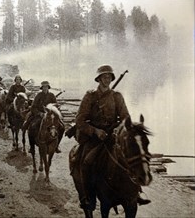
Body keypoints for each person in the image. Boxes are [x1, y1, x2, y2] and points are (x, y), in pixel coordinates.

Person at [75, 64, 150, 211]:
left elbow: (125, 118)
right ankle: (88, 198)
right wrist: (95, 131)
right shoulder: (90, 96)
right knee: (86, 161)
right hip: (95, 137)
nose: (107, 79)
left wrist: (117, 129)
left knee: (132, 156)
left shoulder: (117, 96)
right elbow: (79, 120)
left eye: (109, 76)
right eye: (104, 76)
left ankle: (137, 193)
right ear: (99, 79)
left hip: (113, 135)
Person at [23, 81, 63, 153]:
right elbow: (33, 107)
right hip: (40, 115)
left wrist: (55, 111)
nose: (45, 88)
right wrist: (39, 113)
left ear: (48, 87)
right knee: (32, 126)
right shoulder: (38, 95)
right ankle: (32, 147)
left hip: (50, 116)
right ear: (42, 88)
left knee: (61, 127)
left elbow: (56, 106)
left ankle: (57, 145)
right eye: (44, 87)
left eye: (46, 87)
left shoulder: (52, 95)